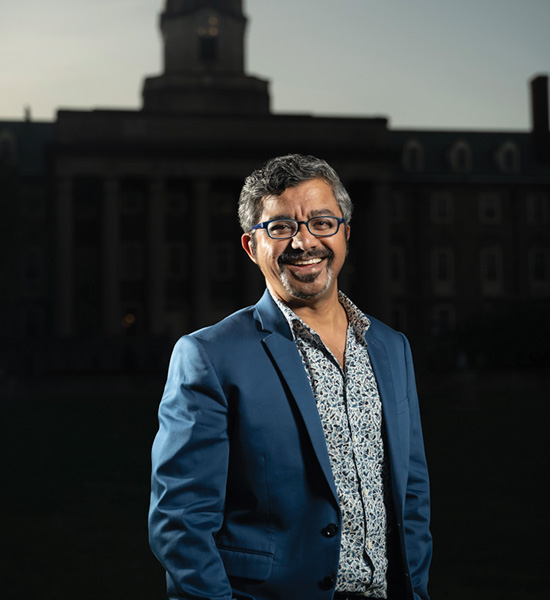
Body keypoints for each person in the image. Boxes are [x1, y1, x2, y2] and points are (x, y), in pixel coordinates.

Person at [149, 154, 432, 600]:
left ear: (345, 233)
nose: (304, 243)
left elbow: (411, 495)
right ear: (251, 246)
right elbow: (181, 523)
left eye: (322, 222)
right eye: (280, 227)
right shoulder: (209, 355)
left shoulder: (392, 347)